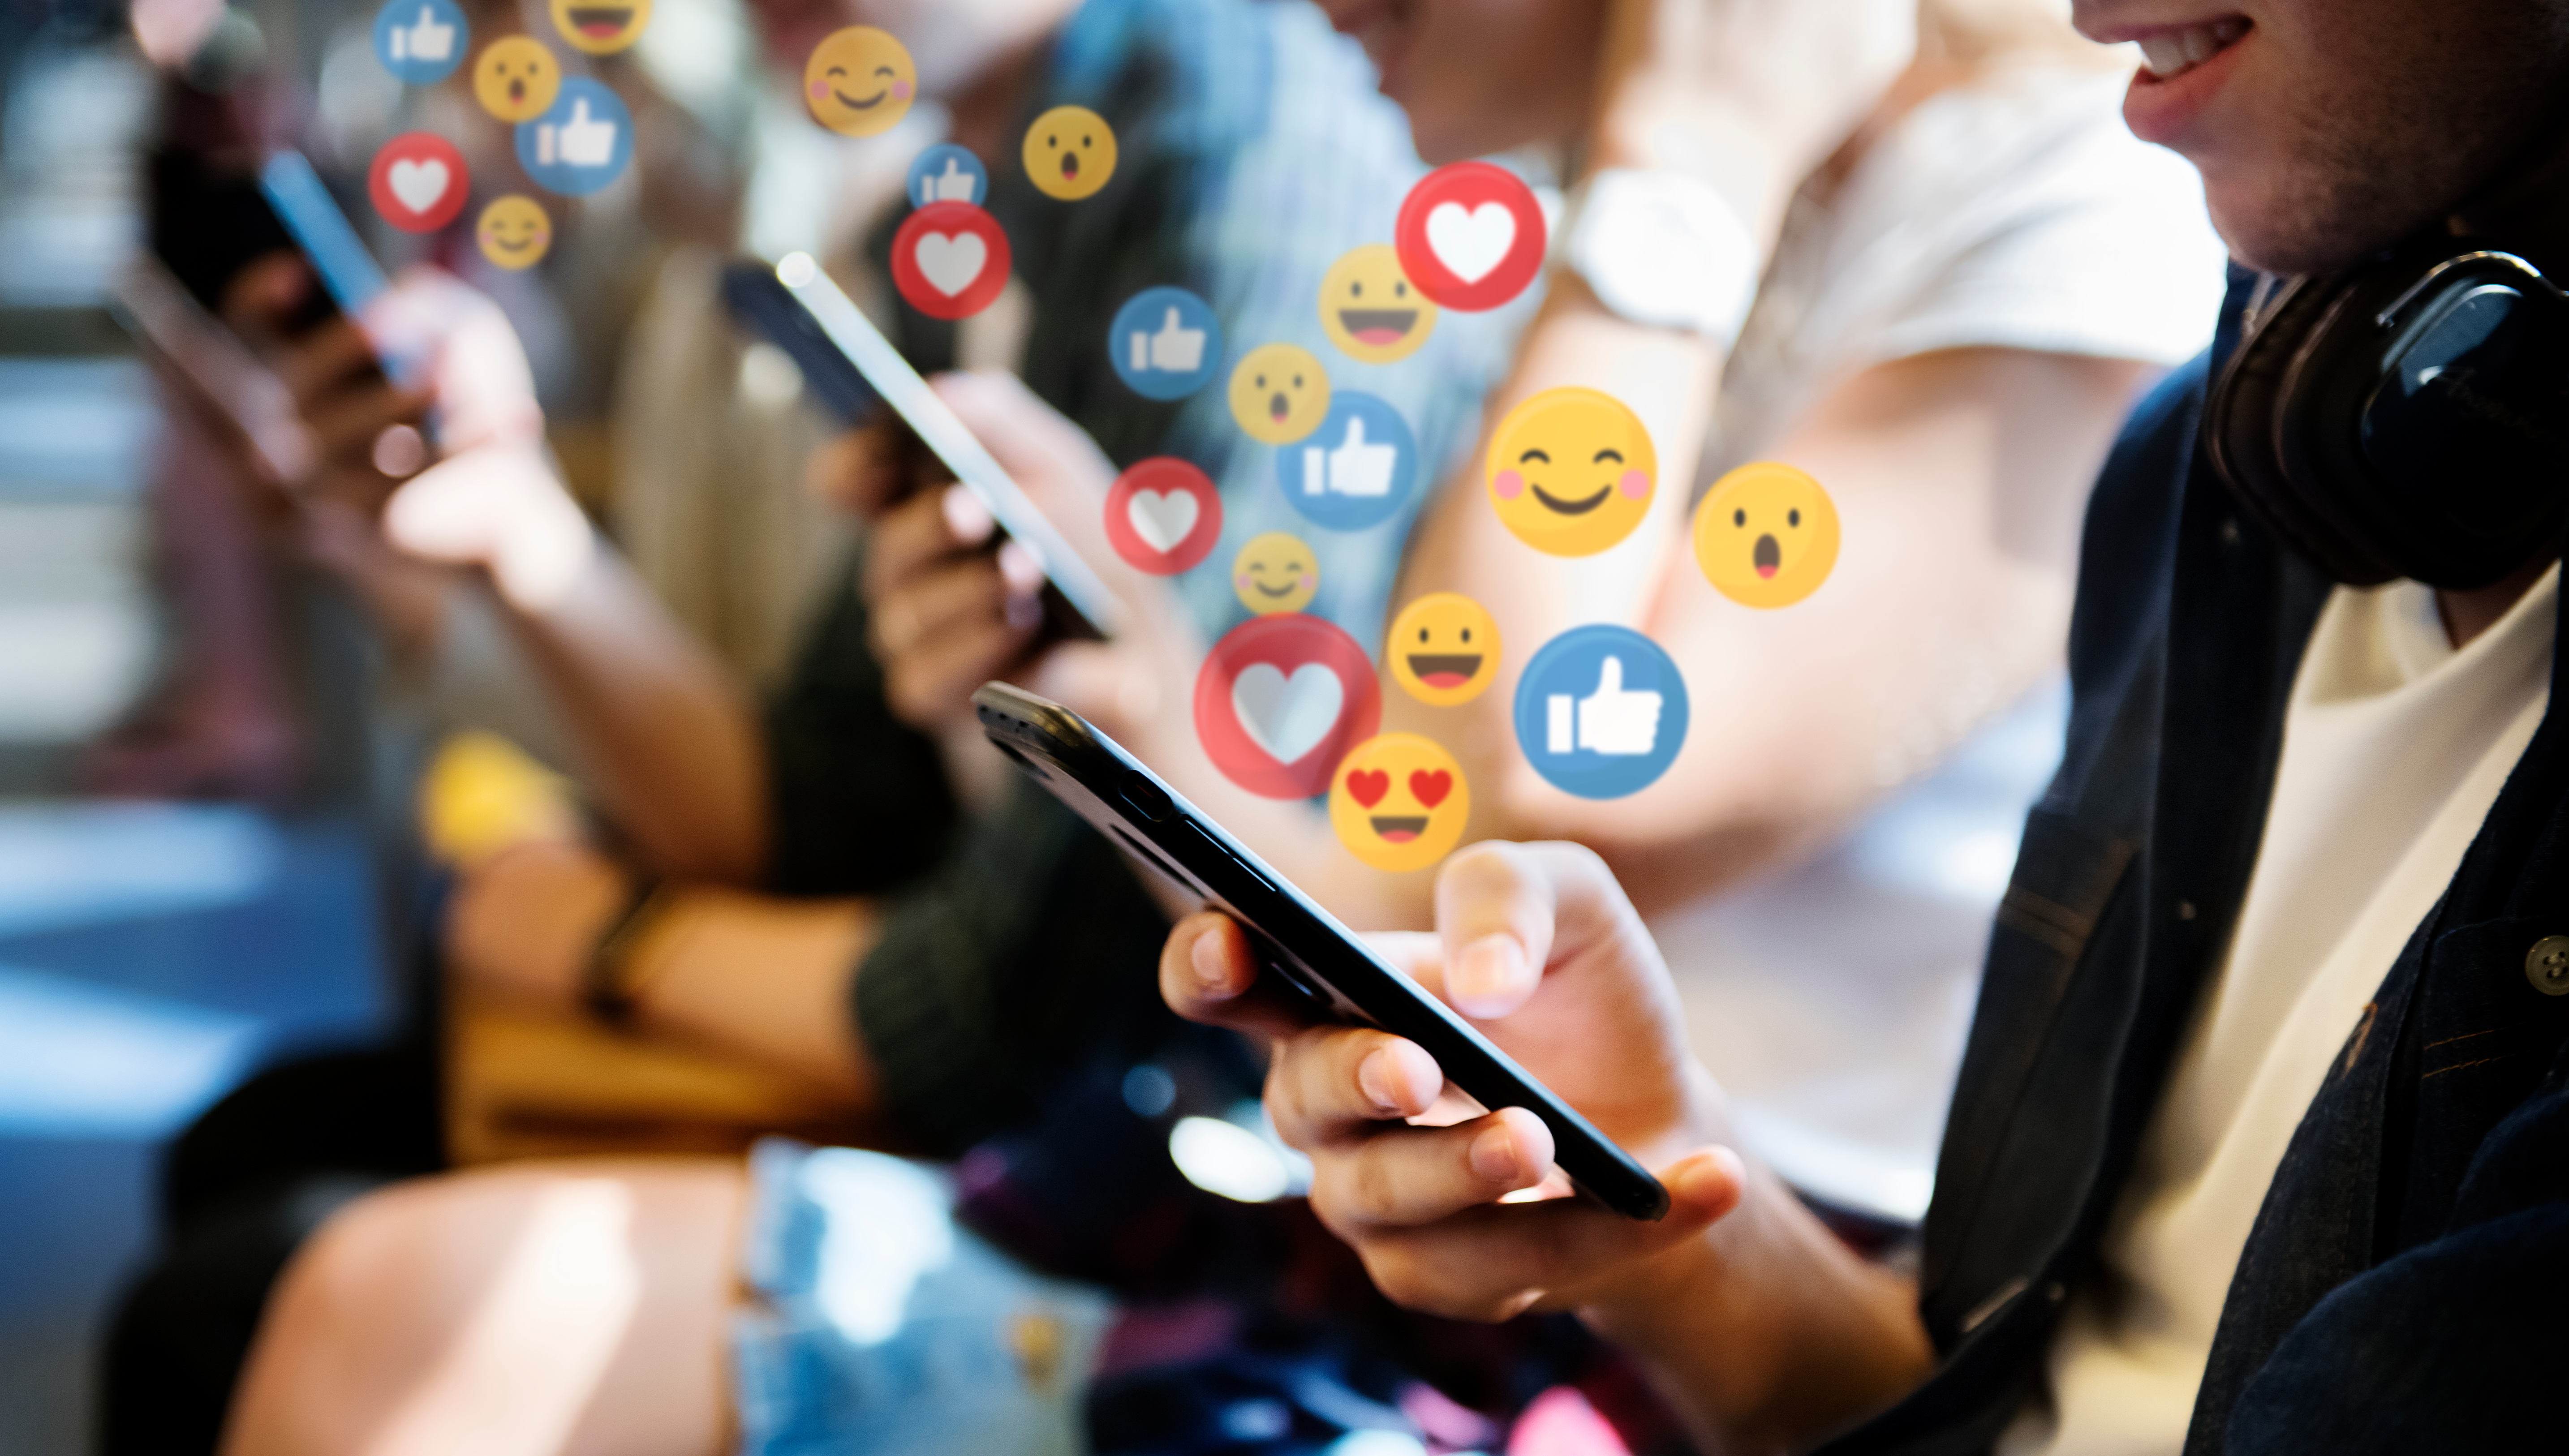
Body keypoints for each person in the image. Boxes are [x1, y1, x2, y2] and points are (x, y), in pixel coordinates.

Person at [1162, 0, 2569, 1449]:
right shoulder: (2232, 457)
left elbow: (1513, 777)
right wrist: (1660, 1196)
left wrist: (1677, 179)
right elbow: (1982, 1400)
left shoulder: (2065, 219)